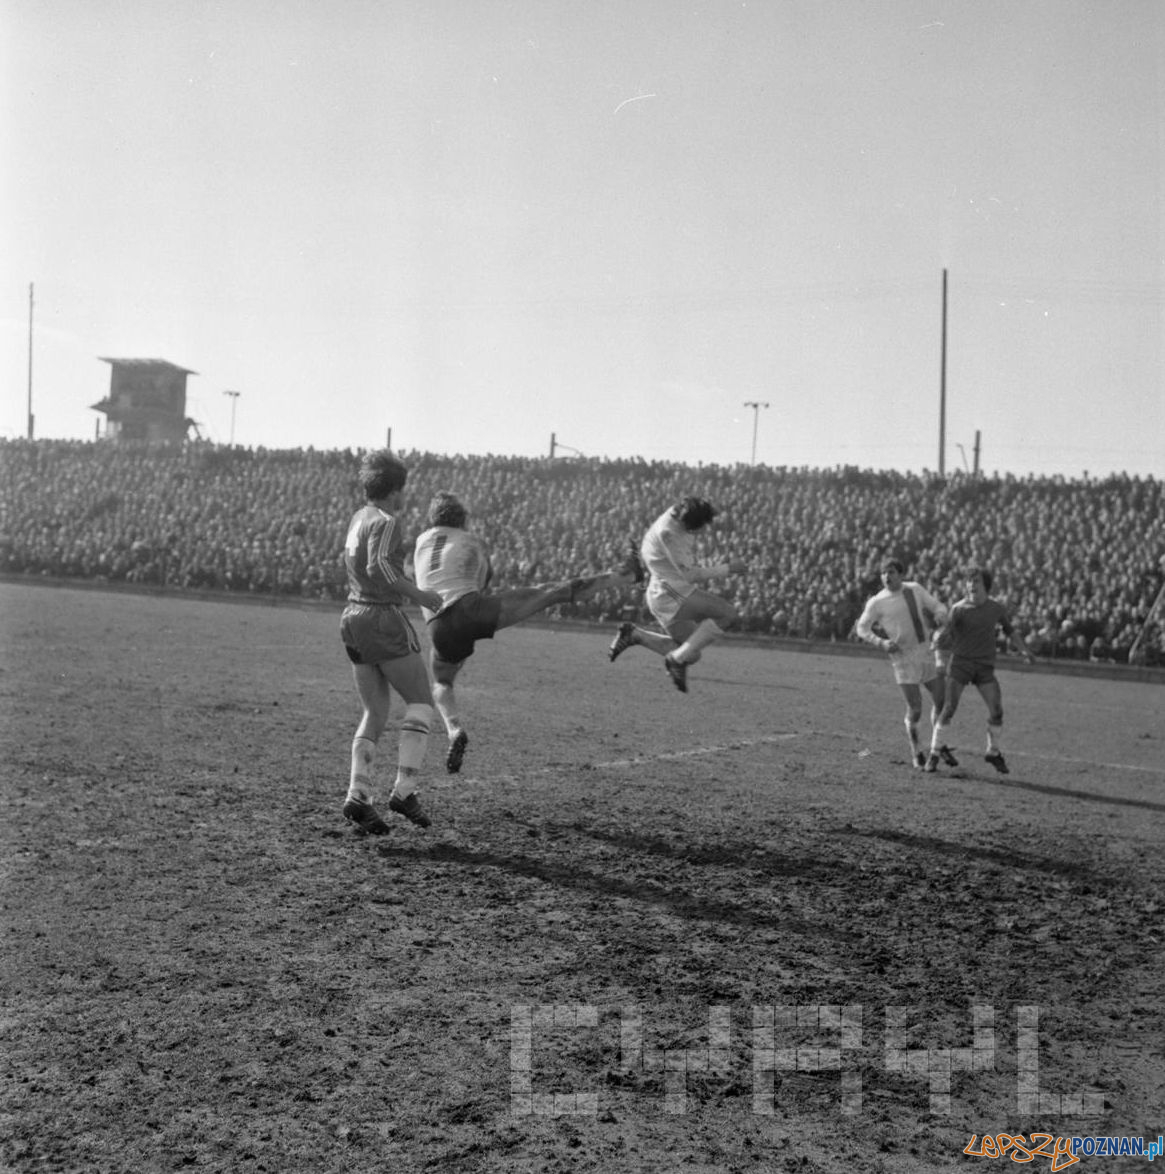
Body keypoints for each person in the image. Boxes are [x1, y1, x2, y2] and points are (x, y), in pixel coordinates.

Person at [413, 491, 643, 774]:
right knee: (551, 592)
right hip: (470, 610)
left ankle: (454, 729)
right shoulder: (470, 540)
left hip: (437, 626)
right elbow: (484, 579)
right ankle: (627, 575)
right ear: (462, 518)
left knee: (442, 683)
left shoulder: (421, 541)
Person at [339, 450, 445, 835]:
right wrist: (421, 596)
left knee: (375, 710)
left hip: (352, 616)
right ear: (394, 490)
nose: (405, 496)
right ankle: (404, 790)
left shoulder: (358, 518)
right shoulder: (386, 521)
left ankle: (358, 794)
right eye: (403, 489)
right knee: (421, 703)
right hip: (380, 616)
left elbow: (360, 566)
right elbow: (379, 565)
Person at [607, 496, 746, 693]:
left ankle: (635, 635)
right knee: (727, 614)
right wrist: (728, 569)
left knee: (691, 652)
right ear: (688, 522)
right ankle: (674, 661)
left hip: (663, 590)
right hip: (670, 592)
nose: (703, 530)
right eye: (700, 526)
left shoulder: (679, 513)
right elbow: (690, 575)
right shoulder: (669, 535)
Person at [925, 566, 1036, 775]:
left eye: (976, 581)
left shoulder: (996, 608)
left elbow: (1010, 631)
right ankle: (934, 753)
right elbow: (945, 633)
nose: (971, 585)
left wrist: (1025, 651)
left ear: (985, 585)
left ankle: (993, 752)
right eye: (969, 581)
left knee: (997, 710)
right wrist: (938, 642)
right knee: (948, 709)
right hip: (961, 664)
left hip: (984, 667)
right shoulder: (958, 609)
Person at [854, 558, 957, 769]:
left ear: (900, 574)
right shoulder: (877, 601)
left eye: (891, 572)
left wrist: (939, 615)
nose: (886, 576)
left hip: (925, 652)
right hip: (903, 658)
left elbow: (937, 605)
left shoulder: (914, 589)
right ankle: (916, 749)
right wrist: (881, 642)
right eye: (883, 573)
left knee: (941, 701)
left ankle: (939, 745)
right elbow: (861, 628)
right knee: (916, 707)